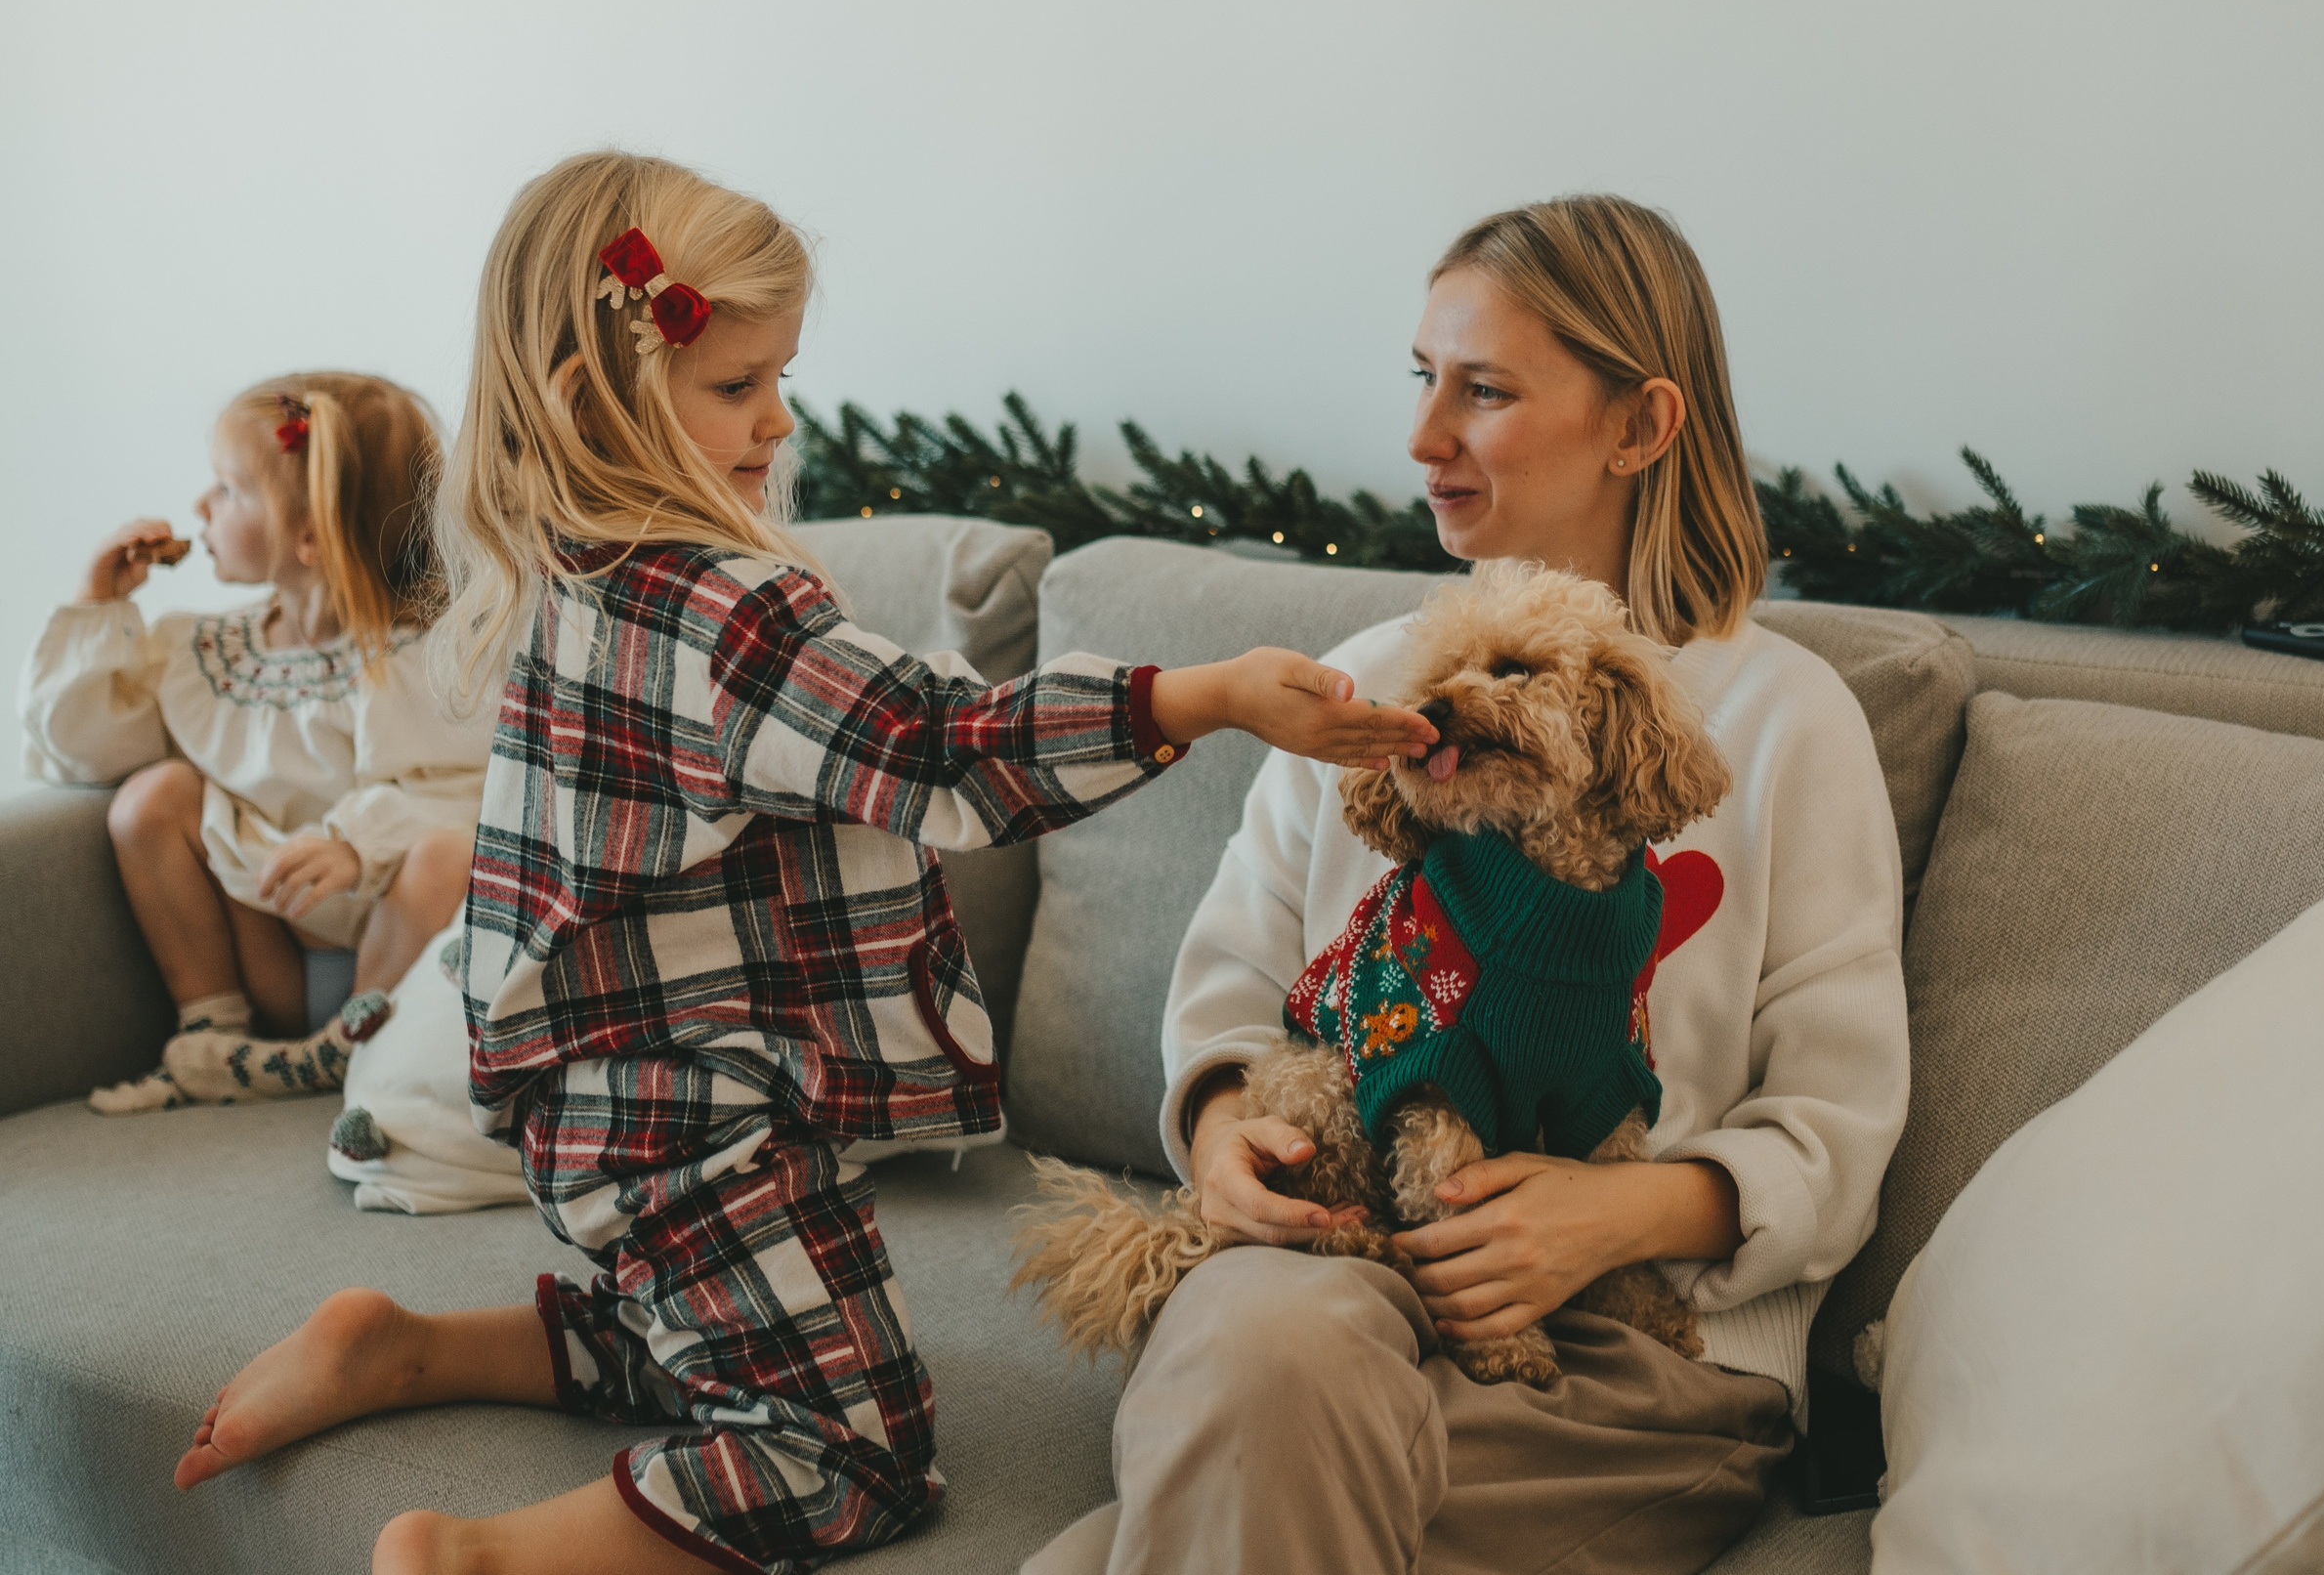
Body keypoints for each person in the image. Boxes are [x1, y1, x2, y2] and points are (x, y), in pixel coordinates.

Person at [167, 150, 1437, 1575]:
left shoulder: (574, 564)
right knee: (856, 1452)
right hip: (678, 1115)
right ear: (597, 398)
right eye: (735, 386)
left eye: (782, 375)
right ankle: (471, 1555)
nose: (779, 416)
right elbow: (943, 747)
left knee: (750, 1344)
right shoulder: (727, 610)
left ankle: (399, 1344)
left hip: (636, 1092)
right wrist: (1198, 696)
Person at [1027, 195, 1913, 1575]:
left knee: (1159, 1517)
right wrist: (1220, 1142)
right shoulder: (1366, 682)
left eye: (1484, 390)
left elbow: (1837, 1128)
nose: (1424, 437)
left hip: (1640, 1359)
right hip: (1335, 1275)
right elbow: (1233, 994)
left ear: (1641, 425)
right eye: (1424, 380)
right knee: (1269, 1349)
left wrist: (1612, 1209)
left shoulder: (1786, 720)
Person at [22, 372, 487, 1113]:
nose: (201, 506)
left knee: (444, 854)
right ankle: (214, 1033)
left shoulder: (423, 660)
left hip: (391, 962)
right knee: (154, 796)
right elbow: (84, 754)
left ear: (310, 536)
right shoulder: (211, 656)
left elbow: (463, 795)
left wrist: (355, 844)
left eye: (228, 489)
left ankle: (344, 1051)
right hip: (276, 954)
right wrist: (97, 603)